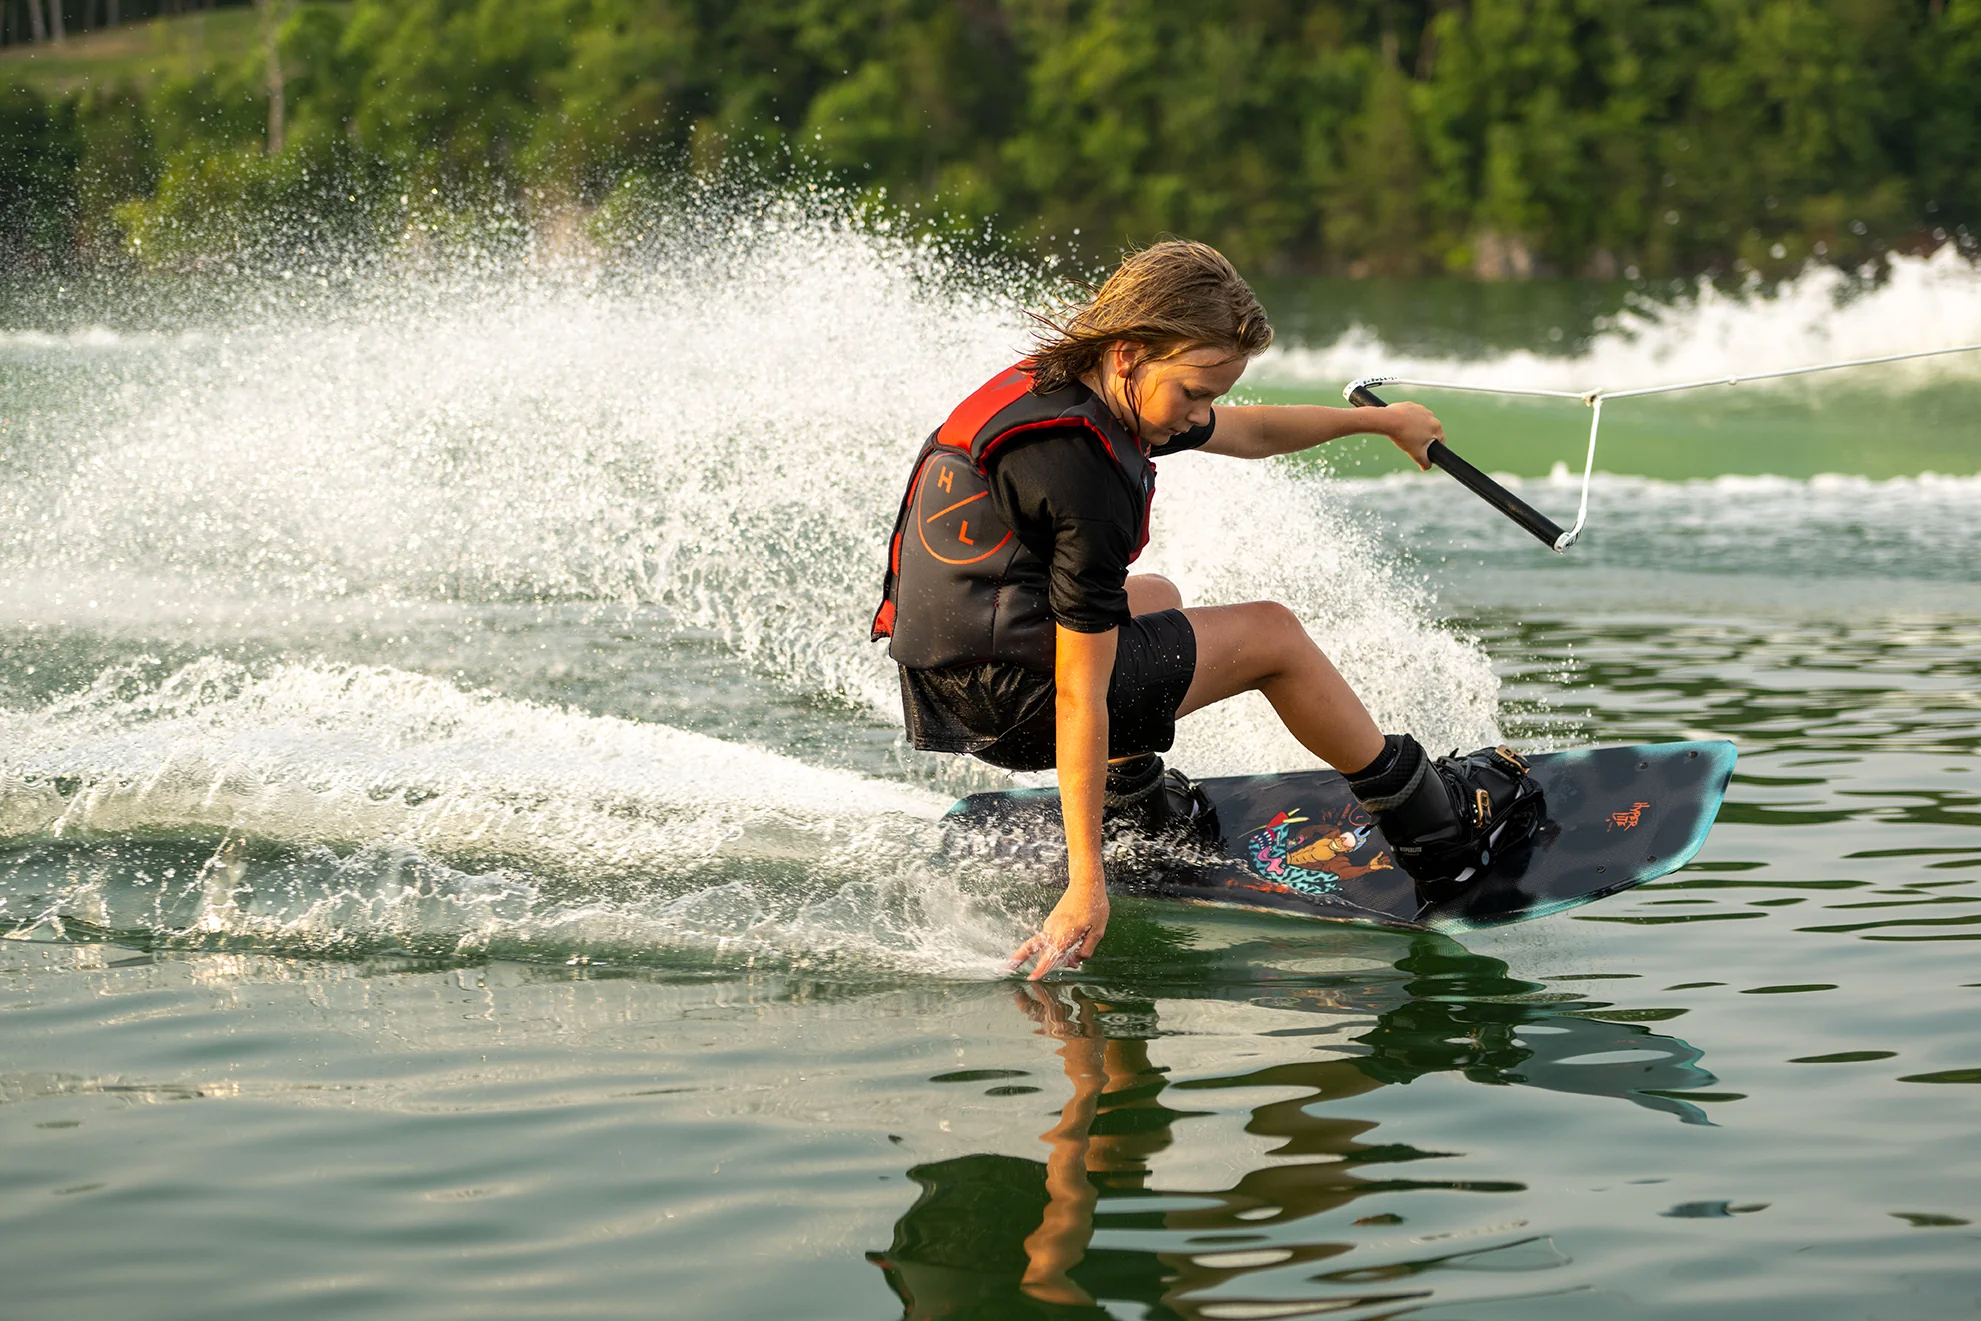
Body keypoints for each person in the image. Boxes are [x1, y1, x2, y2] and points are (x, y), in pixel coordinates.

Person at [870, 240, 1540, 979]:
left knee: (1154, 595)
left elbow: (1249, 432)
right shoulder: (1083, 478)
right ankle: (1432, 826)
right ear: (1129, 353)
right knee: (1270, 634)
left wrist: (1378, 424)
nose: (1199, 413)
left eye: (1213, 394)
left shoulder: (1072, 384)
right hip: (1015, 698)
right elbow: (1076, 689)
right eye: (1194, 392)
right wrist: (1084, 885)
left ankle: (1134, 809)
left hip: (952, 678)